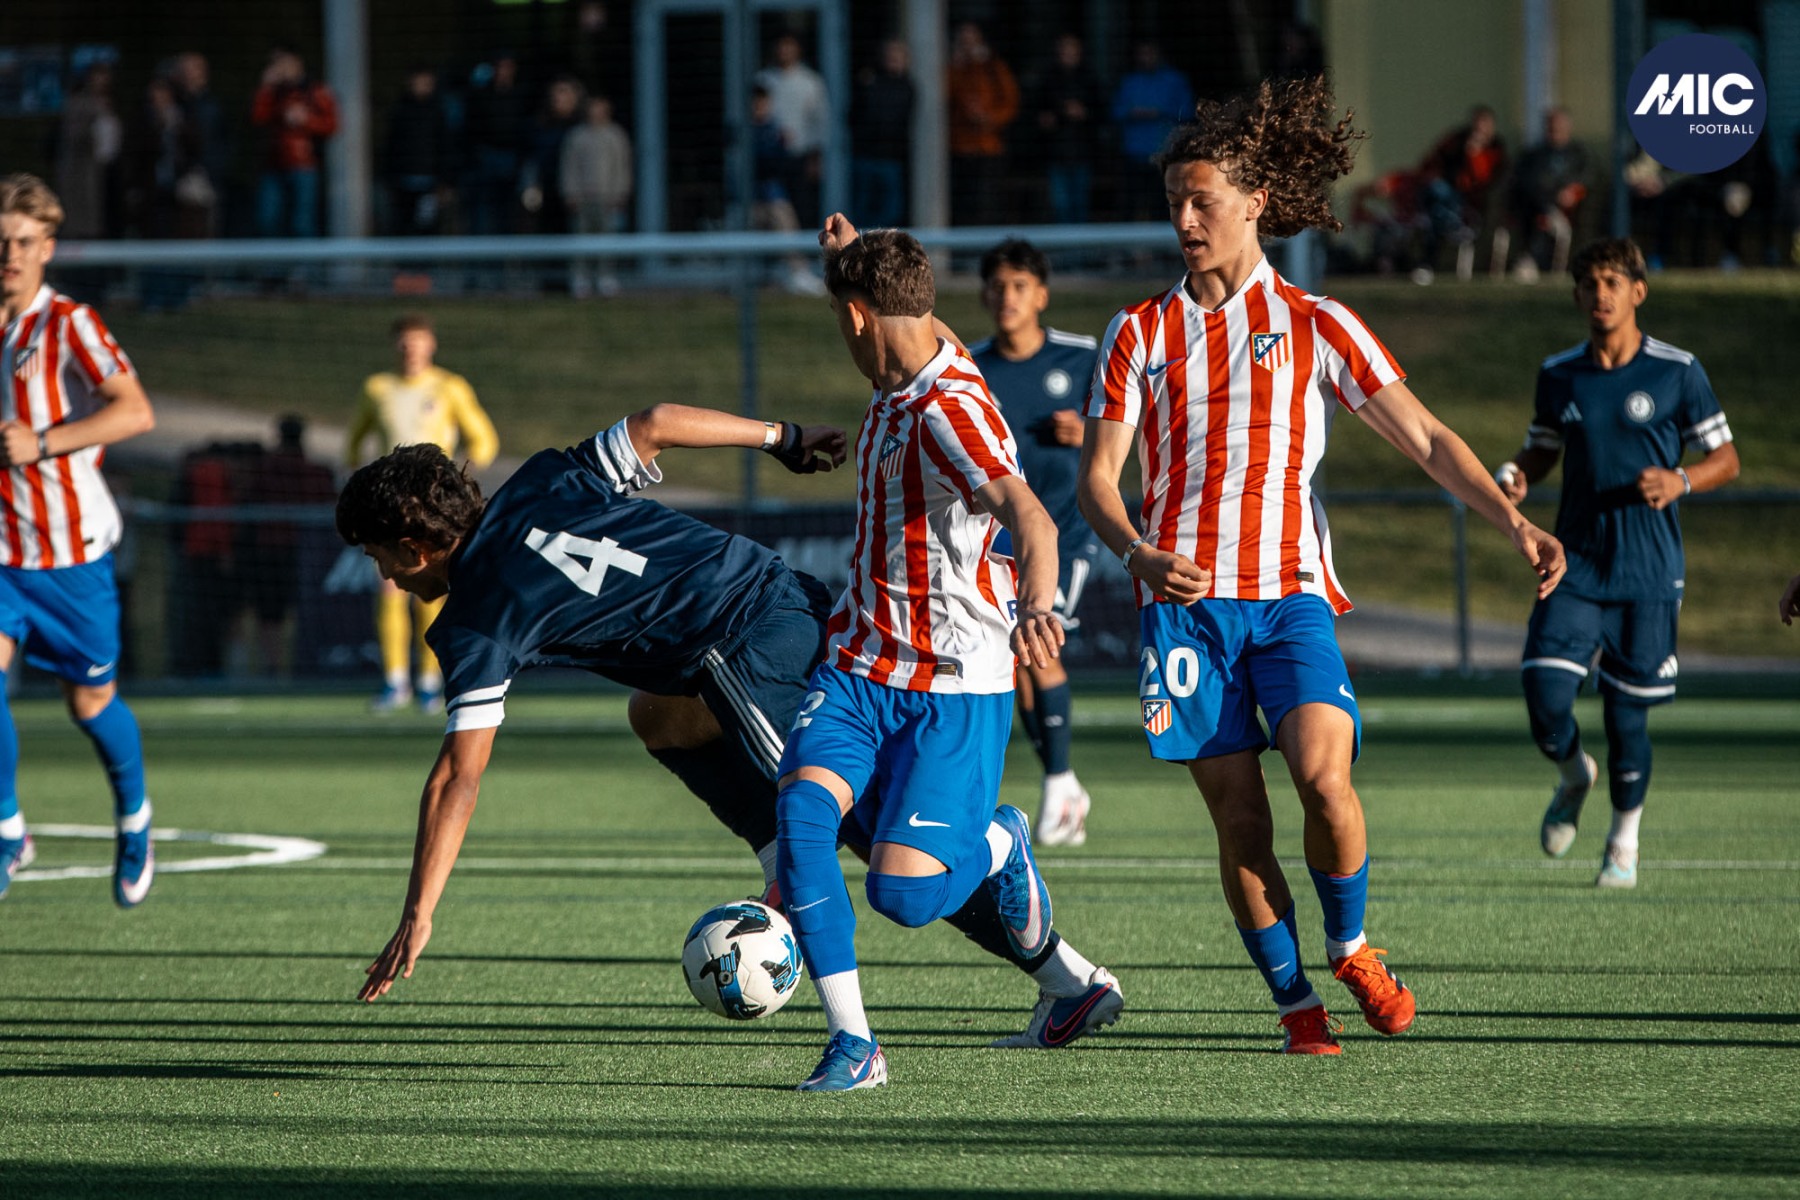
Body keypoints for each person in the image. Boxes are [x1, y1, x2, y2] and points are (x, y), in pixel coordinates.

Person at [341, 406, 1122, 1057]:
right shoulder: (544, 478)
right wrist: (781, 437)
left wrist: (419, 913)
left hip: (742, 650)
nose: (388, 578)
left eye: (382, 559)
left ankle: (938, 925)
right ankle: (1070, 983)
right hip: (775, 596)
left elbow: (458, 775)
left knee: (873, 842)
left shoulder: (474, 620)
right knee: (658, 714)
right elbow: (655, 423)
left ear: (416, 546)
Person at [1077, 77, 1566, 1055]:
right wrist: (1137, 551)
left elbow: (1427, 439)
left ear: (1254, 202)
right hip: (1184, 614)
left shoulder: (1318, 323)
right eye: (1174, 202)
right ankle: (1296, 1003)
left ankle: (1350, 946)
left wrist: (1514, 522)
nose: (1184, 221)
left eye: (1202, 201)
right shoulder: (1139, 332)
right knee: (1241, 823)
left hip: (1289, 598)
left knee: (1325, 780)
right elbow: (1096, 478)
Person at [773, 216, 1119, 1093]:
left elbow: (1031, 515)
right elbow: (907, 312)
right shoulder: (911, 357)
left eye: (842, 315)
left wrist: (1038, 606)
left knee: (903, 896)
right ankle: (855, 1045)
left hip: (952, 684)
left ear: (858, 318)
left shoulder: (949, 411)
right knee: (802, 815)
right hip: (859, 667)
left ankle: (1001, 840)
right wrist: (849, 260)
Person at [1493, 238, 1738, 889]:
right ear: (1577, 295)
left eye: (1612, 282)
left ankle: (1623, 843)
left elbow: (1726, 459)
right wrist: (1517, 472)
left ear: (1638, 291)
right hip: (1575, 565)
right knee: (1545, 698)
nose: (1600, 294)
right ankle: (1575, 774)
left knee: (1627, 720)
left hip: (1647, 574)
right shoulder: (1560, 374)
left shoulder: (1677, 371)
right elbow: (1542, 447)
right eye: (1589, 283)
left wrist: (1682, 481)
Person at [0, 174, 158, 906]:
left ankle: (135, 820)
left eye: (22, 242)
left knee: (91, 704)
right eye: (0, 241)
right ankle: (8, 831)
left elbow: (135, 412)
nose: (9, 254)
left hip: (68, 554)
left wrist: (41, 443)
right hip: (1, 553)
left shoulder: (69, 325)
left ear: (47, 248)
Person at [968, 239, 1100, 845]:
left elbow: (1142, 428)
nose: (1008, 297)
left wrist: (1091, 432)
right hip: (998, 541)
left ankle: (1061, 781)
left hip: (1065, 535)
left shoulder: (1081, 357)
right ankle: (1062, 783)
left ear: (1041, 296)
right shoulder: (969, 367)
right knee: (1014, 661)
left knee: (1038, 647)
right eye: (997, 286)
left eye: (1019, 286)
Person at [346, 314, 499, 713]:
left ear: (431, 345)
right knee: (390, 589)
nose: (410, 349)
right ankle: (395, 681)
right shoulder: (377, 388)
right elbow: (353, 445)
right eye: (404, 342)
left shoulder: (449, 386)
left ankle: (430, 682)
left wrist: (455, 482)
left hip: (431, 508)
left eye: (417, 341)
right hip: (389, 508)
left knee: (431, 587)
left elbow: (484, 439)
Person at [251, 46, 338, 239]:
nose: (279, 68)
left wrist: (306, 120)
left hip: (304, 165)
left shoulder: (315, 91)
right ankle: (274, 259)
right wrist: (265, 89)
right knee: (267, 220)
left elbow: (332, 124)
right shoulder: (273, 93)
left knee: (302, 223)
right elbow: (258, 118)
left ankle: (307, 260)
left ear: (297, 63)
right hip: (273, 165)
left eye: (283, 63)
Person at [560, 94, 633, 298]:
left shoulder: (615, 136)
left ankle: (605, 278)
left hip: (608, 198)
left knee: (608, 240)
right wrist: (570, 193)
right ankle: (580, 278)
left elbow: (622, 167)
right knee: (580, 240)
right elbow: (569, 167)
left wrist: (620, 193)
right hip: (582, 199)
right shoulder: (576, 136)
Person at [947, 23, 1019, 227]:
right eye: (964, 42)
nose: (968, 46)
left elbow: (1010, 102)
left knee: (988, 198)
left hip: (988, 145)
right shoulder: (954, 69)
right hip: (961, 146)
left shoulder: (993, 67)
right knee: (964, 201)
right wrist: (955, 65)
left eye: (972, 41)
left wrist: (989, 118)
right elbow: (943, 98)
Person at [1110, 43, 1191, 222]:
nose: (1146, 58)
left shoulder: (1174, 81)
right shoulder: (1130, 82)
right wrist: (1133, 113)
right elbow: (1116, 112)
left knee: (1162, 204)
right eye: (1143, 54)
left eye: (1150, 53)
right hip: (1134, 153)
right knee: (1131, 204)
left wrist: (1160, 112)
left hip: (1164, 152)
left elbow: (1187, 111)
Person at [756, 34, 829, 229]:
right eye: (781, 47)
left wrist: (815, 156)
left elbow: (819, 121)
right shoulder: (764, 79)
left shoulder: (810, 81)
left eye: (789, 47)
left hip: (800, 154)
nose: (784, 52)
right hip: (769, 156)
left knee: (801, 204)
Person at [1509, 108, 1590, 278]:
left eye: (1559, 127)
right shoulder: (1533, 156)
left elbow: (1588, 178)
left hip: (1573, 212)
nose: (1555, 132)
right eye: (1552, 128)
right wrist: (1551, 200)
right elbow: (1528, 183)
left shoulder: (1579, 155)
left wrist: (1572, 192)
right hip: (1540, 208)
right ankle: (1530, 262)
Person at [1031, 34, 1101, 227]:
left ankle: (1081, 246)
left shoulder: (1088, 79)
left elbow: (1101, 113)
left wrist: (1084, 113)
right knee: (1060, 206)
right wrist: (1051, 117)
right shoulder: (1048, 80)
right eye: (1063, 50)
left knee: (1080, 204)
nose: (1067, 55)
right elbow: (1037, 113)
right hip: (1056, 152)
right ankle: (1064, 246)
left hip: (1082, 151)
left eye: (1071, 50)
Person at [849, 39, 914, 229]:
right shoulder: (868, 83)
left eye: (897, 56)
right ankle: (864, 244)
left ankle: (881, 244)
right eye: (890, 55)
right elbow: (854, 115)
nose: (893, 60)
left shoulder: (907, 87)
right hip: (866, 155)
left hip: (892, 158)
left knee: (892, 211)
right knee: (862, 209)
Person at [382, 66, 454, 237]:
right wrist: (390, 178)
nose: (424, 86)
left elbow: (445, 147)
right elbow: (392, 146)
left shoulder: (438, 112)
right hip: (403, 181)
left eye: (427, 82)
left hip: (430, 182)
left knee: (428, 227)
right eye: (420, 82)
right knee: (403, 227)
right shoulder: (400, 111)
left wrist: (445, 181)